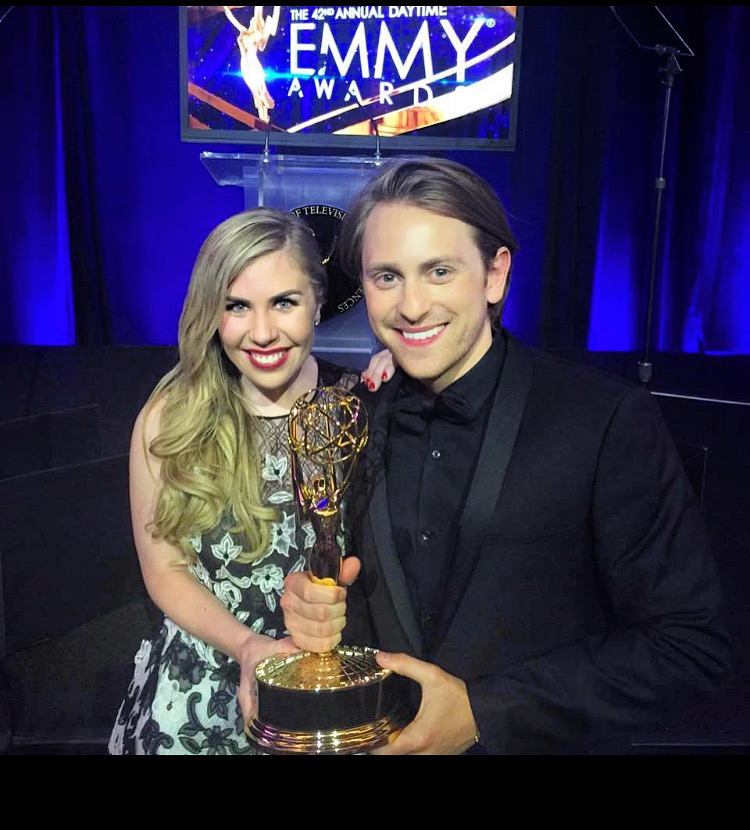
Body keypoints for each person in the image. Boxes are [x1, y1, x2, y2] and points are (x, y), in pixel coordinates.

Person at [280, 156, 735, 755]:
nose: (411, 306)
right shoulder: (349, 422)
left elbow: (689, 647)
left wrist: (485, 713)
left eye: (439, 271)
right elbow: (363, 604)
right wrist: (315, 611)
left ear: (495, 276)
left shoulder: (603, 420)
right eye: (386, 277)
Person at [107, 206, 393, 755]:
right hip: (199, 689)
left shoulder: (358, 410)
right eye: (237, 306)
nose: (262, 332)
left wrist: (400, 377)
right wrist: (247, 647)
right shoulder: (171, 419)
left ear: (317, 302)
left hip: (326, 694)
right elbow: (164, 570)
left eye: (283, 302)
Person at [224, 6, 281, 124]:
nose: (252, 20)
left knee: (259, 90)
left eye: (255, 20)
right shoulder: (245, 31)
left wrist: (275, 11)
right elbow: (232, 19)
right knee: (255, 92)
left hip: (253, 63)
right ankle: (263, 120)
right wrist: (225, 8)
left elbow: (259, 14)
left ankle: (264, 119)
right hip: (244, 63)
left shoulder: (258, 35)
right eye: (252, 20)